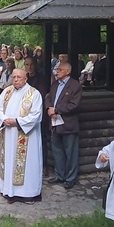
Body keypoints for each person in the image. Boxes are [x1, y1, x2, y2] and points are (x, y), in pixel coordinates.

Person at [0, 69, 43, 204]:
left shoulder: (34, 94)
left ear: (25, 79)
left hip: (26, 135)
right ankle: (9, 190)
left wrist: (17, 122)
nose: (15, 79)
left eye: (19, 77)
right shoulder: (7, 92)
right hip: (9, 134)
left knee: (27, 164)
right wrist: (4, 119)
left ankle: (28, 193)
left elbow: (36, 115)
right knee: (9, 160)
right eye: (14, 77)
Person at [46, 61, 83, 189]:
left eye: (60, 69)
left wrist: (57, 110)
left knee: (70, 152)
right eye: (57, 69)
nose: (57, 71)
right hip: (55, 124)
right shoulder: (55, 84)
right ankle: (59, 175)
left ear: (68, 71)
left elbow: (74, 105)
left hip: (68, 124)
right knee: (57, 151)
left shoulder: (75, 86)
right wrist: (49, 109)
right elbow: (48, 98)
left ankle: (70, 178)